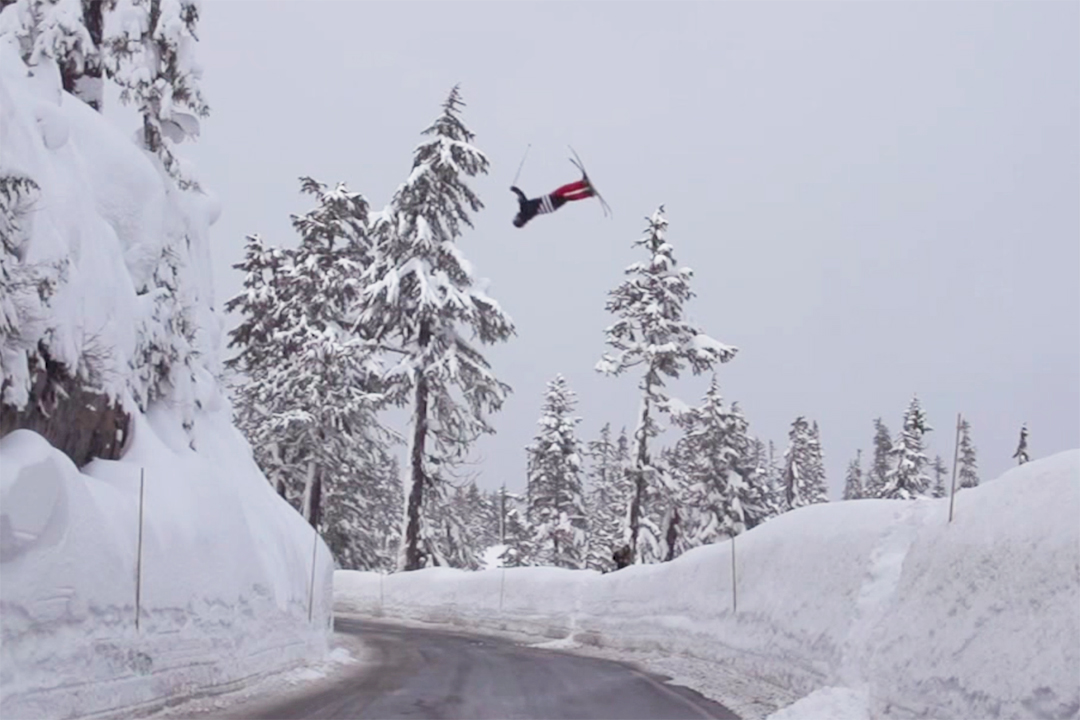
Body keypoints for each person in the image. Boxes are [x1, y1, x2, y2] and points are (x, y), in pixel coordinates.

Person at [511, 176, 595, 228]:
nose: (516, 216)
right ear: (519, 219)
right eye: (516, 218)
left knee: (567, 197)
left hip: (551, 207)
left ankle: (587, 193)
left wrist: (519, 196)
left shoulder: (527, 216)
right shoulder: (524, 210)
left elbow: (523, 199)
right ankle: (582, 184)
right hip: (548, 201)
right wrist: (515, 190)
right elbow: (522, 197)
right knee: (564, 190)